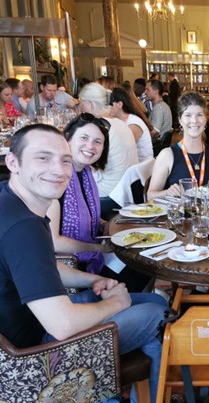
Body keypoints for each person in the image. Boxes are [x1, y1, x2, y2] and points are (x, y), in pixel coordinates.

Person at [0, 123, 170, 403]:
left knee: (149, 298)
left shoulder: (3, 198)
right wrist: (117, 304)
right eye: (43, 158)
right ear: (13, 162)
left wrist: (91, 280)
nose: (58, 170)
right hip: (25, 364)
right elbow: (62, 324)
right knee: (159, 314)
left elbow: (40, 269)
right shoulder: (24, 228)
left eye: (65, 160)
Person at [47, 113, 150, 292]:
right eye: (84, 138)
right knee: (140, 269)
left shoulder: (85, 174)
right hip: (67, 270)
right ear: (68, 139)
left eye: (98, 142)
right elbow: (53, 242)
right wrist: (100, 248)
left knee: (146, 262)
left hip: (90, 258)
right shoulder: (56, 180)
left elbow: (91, 218)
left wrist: (114, 225)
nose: (90, 146)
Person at [147, 91, 209, 199]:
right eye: (188, 115)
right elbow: (150, 195)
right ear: (180, 120)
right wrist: (167, 192)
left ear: (205, 119)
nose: (194, 120)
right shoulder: (167, 155)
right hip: (180, 215)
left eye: (199, 115)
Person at [78, 83, 138, 217]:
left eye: (82, 104)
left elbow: (88, 164)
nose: (81, 108)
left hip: (110, 192)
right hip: (127, 189)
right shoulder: (120, 123)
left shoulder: (99, 127)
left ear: (91, 104)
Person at [109, 86, 155, 162]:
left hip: (141, 169)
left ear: (120, 104)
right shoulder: (118, 121)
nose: (107, 107)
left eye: (110, 103)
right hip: (131, 165)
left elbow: (121, 149)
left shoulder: (134, 123)